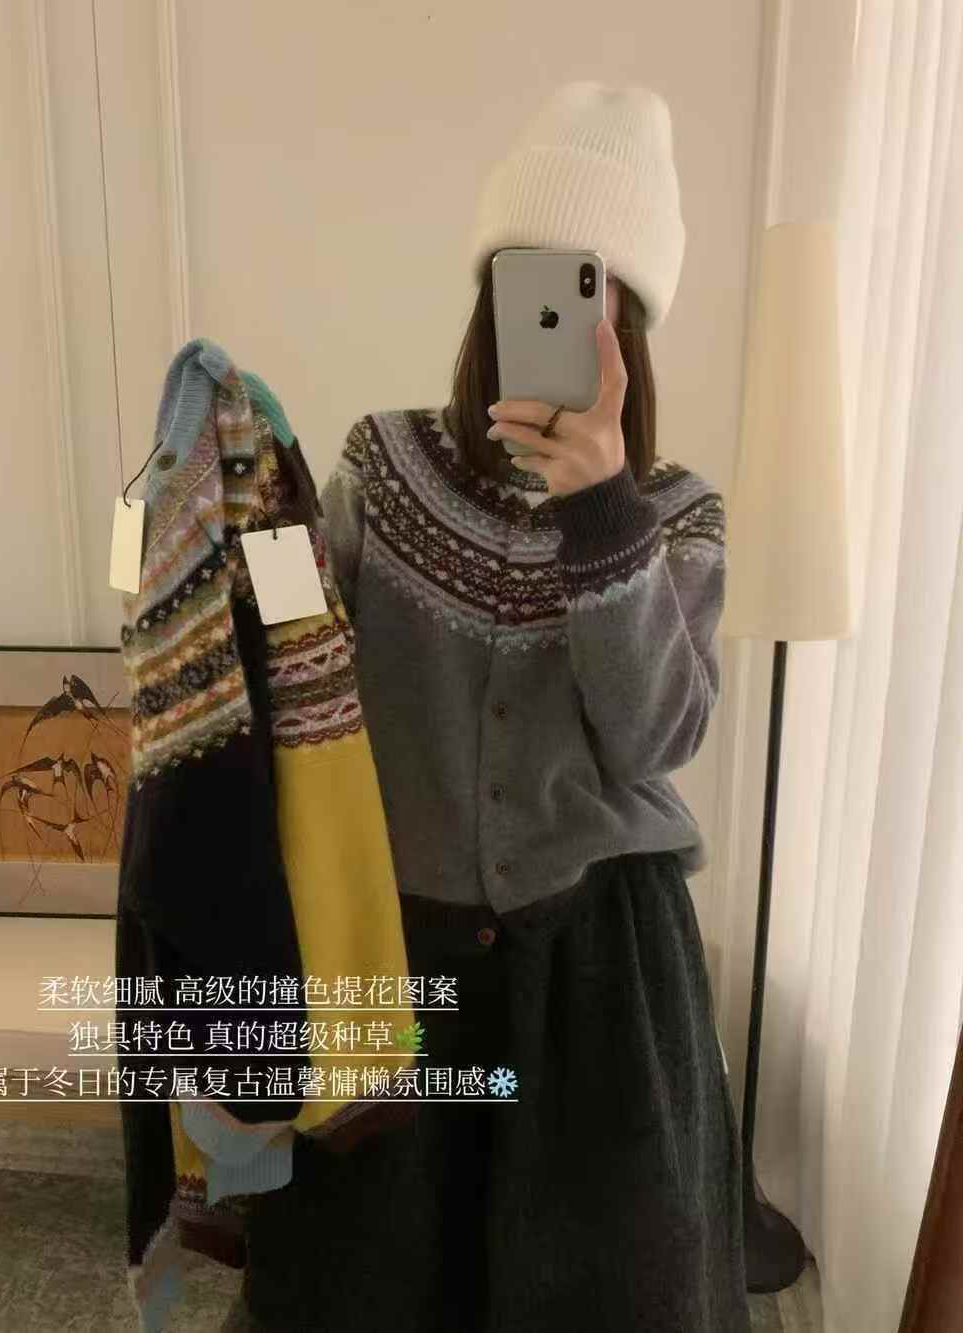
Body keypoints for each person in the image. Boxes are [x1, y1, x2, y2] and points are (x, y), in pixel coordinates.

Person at [231, 80, 749, 1332]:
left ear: (629, 329)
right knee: (370, 1282)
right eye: (530, 285)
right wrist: (242, 520)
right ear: (487, 299)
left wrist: (601, 511)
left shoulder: (674, 512)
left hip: (599, 975)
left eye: (592, 297)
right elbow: (297, 651)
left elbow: (658, 736)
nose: (557, 324)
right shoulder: (385, 460)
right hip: (398, 952)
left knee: (604, 1290)